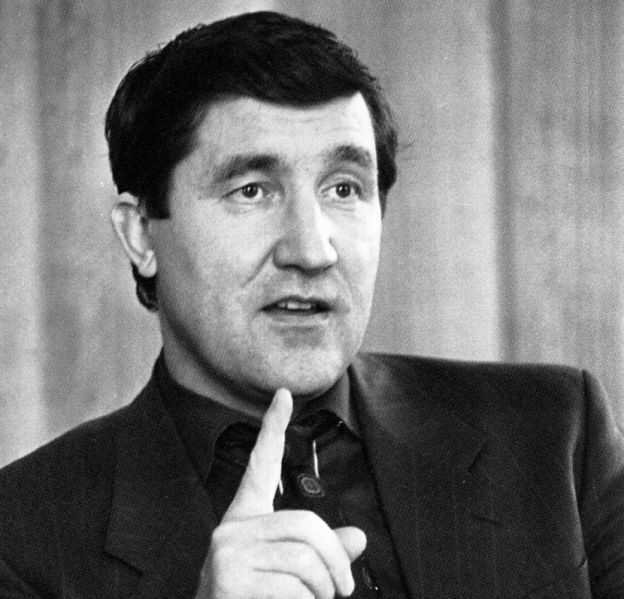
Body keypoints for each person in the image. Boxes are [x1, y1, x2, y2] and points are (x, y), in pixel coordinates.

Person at [0, 10, 623, 599]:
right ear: (141, 235)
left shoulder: (556, 437)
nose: (312, 249)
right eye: (251, 190)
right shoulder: (22, 536)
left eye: (344, 188)